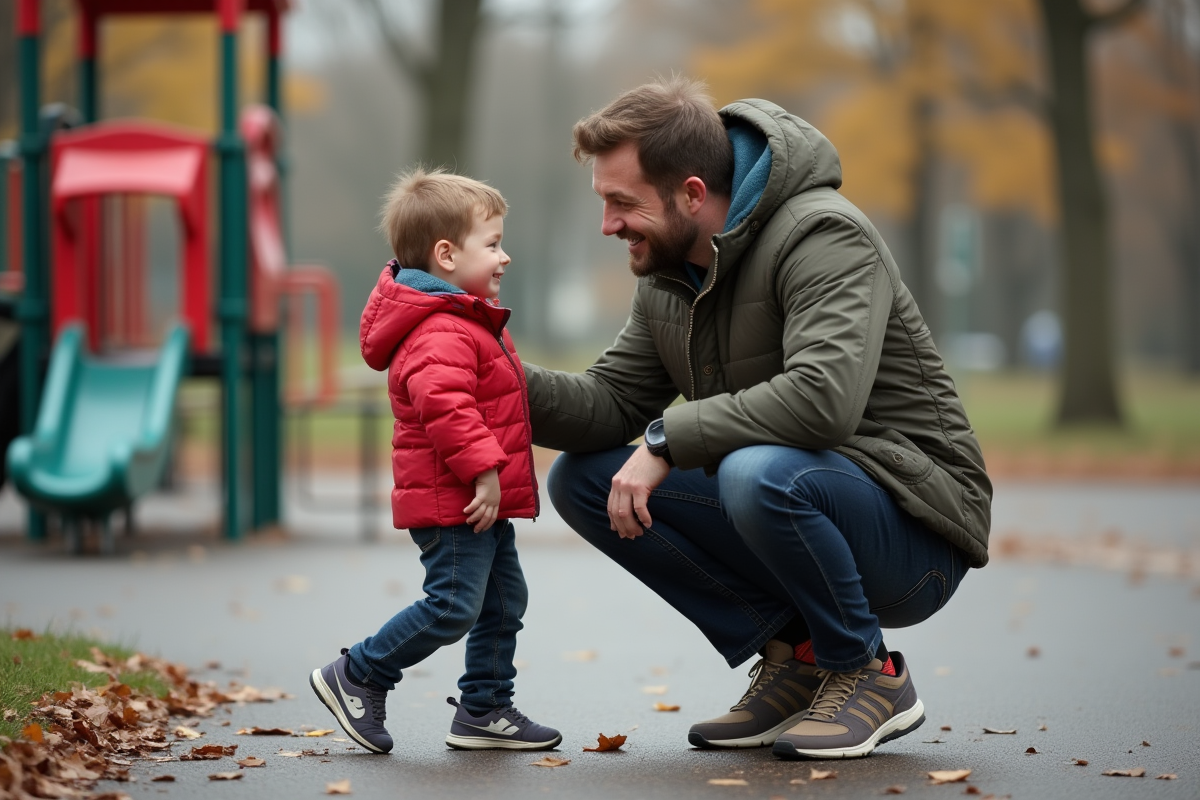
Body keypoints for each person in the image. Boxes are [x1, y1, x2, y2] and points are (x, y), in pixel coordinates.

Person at [525, 77, 991, 761]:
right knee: (583, 479)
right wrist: (493, 374)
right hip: (799, 495)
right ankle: (798, 656)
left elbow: (821, 398)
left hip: (916, 530)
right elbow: (610, 405)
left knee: (756, 473)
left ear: (690, 193)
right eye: (604, 202)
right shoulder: (668, 275)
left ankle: (868, 673)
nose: (609, 225)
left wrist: (665, 440)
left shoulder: (824, 234)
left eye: (622, 203)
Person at [310, 168, 560, 755]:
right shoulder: (440, 327)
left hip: (475, 499)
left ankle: (484, 708)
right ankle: (360, 673)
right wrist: (484, 470)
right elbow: (445, 406)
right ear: (446, 254)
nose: (505, 256)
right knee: (451, 606)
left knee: (502, 602)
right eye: (493, 243)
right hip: (458, 498)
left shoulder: (461, 317)